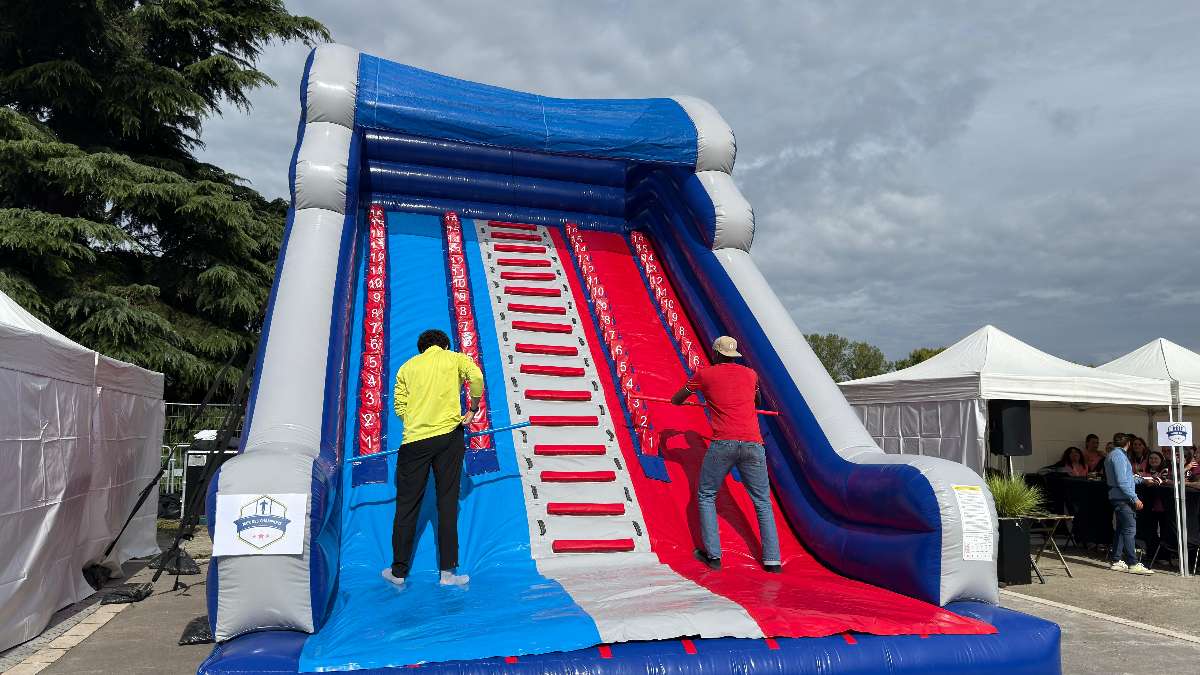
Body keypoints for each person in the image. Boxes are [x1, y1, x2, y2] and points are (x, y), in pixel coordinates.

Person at [383, 329, 483, 589]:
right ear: (445, 345)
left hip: (414, 441)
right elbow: (476, 377)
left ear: (421, 349)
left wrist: (418, 420)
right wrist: (472, 409)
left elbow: (399, 408)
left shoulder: (407, 368)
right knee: (447, 504)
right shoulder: (455, 358)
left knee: (406, 506)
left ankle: (398, 572)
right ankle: (448, 574)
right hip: (449, 437)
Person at [671, 336, 781, 573]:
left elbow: (676, 400)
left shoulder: (704, 374)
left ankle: (713, 556)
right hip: (753, 444)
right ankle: (773, 561)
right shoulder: (751, 374)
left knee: (706, 495)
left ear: (715, 354)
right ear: (734, 355)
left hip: (724, 443)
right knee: (762, 501)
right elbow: (756, 401)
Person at [1104, 432, 1153, 574]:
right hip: (1123, 498)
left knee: (1121, 529)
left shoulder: (1113, 455)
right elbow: (1122, 481)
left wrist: (1142, 480)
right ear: (1129, 443)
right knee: (1129, 530)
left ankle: (1116, 560)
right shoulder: (1119, 456)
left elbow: (1126, 478)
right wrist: (1135, 498)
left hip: (1118, 496)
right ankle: (1133, 563)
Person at [1137, 450, 1172, 562]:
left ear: (1161, 460)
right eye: (1151, 458)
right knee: (1150, 531)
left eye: (1156, 458)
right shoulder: (1145, 471)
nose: (1153, 460)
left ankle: (1164, 556)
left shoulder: (1165, 471)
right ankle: (1151, 554)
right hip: (1149, 507)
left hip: (1162, 507)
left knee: (1164, 532)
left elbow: (1159, 482)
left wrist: (1148, 480)